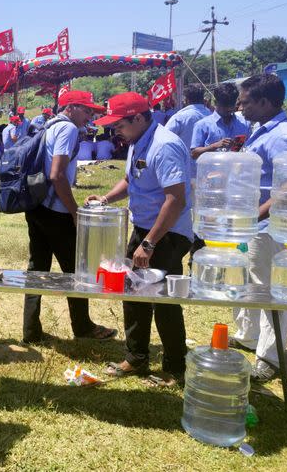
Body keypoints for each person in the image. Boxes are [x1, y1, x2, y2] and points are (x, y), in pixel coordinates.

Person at [87, 92, 193, 383]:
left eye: (119, 124)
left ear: (138, 118)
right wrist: (107, 198)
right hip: (146, 229)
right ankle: (136, 358)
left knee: (163, 300)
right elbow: (131, 179)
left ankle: (175, 368)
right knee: (132, 293)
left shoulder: (165, 145)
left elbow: (175, 200)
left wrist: (149, 244)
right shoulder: (137, 142)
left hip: (167, 234)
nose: (114, 131)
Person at [230, 74, 287, 383]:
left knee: (271, 292)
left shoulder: (284, 136)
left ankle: (269, 358)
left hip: (271, 227)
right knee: (251, 282)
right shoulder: (262, 131)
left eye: (245, 101)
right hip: (255, 225)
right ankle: (249, 337)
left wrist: (256, 215)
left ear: (265, 102)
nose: (239, 106)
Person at [23, 91, 117, 344]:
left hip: (36, 206)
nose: (90, 116)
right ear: (72, 107)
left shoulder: (49, 124)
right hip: (55, 211)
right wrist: (75, 212)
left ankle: (30, 330)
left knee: (37, 269)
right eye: (87, 110)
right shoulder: (68, 129)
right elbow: (57, 174)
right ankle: (83, 327)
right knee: (77, 271)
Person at [190, 83, 250, 159]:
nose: (228, 109)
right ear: (215, 102)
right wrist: (214, 146)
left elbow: (249, 150)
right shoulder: (202, 125)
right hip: (211, 170)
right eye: (224, 105)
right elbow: (194, 154)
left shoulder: (244, 124)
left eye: (231, 105)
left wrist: (237, 147)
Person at [165, 83, 212, 157]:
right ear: (203, 99)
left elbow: (165, 140)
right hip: (208, 166)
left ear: (186, 100)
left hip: (185, 165)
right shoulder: (212, 116)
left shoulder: (179, 117)